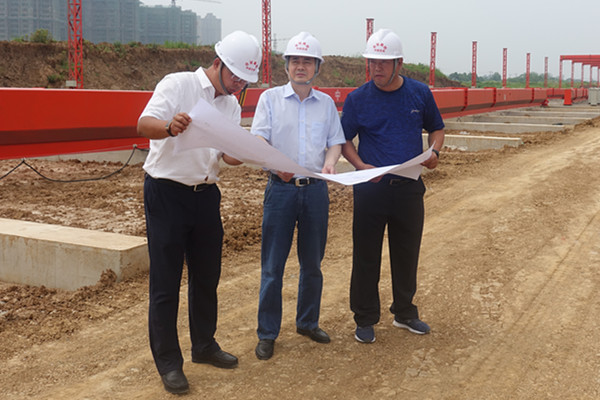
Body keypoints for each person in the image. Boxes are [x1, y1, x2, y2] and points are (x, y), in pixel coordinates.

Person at [137, 31, 261, 394]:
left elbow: (227, 155)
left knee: (207, 276)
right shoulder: (178, 85)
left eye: (245, 81)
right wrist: (169, 127)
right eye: (236, 76)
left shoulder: (231, 105)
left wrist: (248, 150)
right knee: (166, 282)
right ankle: (169, 362)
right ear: (218, 63)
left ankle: (204, 345)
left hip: (205, 195)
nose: (239, 84)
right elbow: (144, 124)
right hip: (167, 193)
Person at [340, 29, 445, 344]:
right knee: (366, 254)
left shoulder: (419, 93)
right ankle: (365, 318)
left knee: (406, 252)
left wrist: (435, 152)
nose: (376, 68)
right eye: (372, 62)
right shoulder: (358, 99)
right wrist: (360, 166)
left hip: (408, 188)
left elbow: (437, 128)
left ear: (399, 63)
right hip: (370, 188)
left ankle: (405, 312)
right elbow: (344, 140)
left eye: (383, 62)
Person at [250, 32, 346, 360]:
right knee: (272, 266)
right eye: (295, 61)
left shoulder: (326, 104)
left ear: (317, 67)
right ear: (286, 65)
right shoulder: (270, 100)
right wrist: (276, 164)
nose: (300, 66)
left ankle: (307, 322)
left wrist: (331, 163)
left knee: (312, 263)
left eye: (307, 61)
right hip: (280, 191)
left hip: (315, 190)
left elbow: (335, 142)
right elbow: (258, 140)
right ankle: (267, 333)